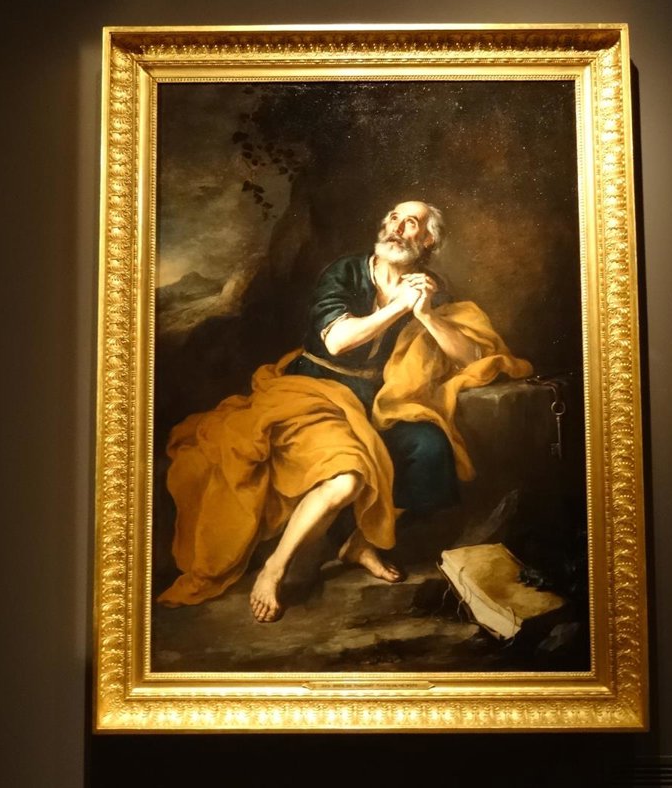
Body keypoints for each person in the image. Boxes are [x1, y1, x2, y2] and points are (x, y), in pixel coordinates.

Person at [157, 201, 532, 621]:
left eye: (410, 222)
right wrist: (399, 307)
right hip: (314, 390)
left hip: (376, 399)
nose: (396, 227)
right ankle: (275, 568)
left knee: (430, 449)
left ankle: (361, 542)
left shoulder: (430, 288)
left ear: (428, 240)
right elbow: (336, 342)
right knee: (348, 475)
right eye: (393, 218)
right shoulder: (346, 272)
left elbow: (470, 357)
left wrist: (425, 314)